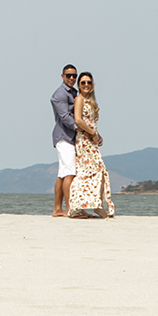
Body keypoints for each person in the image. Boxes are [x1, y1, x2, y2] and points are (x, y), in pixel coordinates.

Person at [67, 72, 115, 219]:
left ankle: (93, 205)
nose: (86, 85)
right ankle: (95, 206)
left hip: (91, 140)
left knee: (97, 171)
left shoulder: (91, 101)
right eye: (83, 82)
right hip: (84, 140)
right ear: (79, 85)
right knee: (90, 171)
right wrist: (92, 133)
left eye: (89, 82)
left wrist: (98, 136)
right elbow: (78, 120)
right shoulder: (79, 100)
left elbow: (91, 122)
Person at [50, 65, 79, 217]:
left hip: (68, 137)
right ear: (62, 76)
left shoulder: (73, 92)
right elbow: (65, 117)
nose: (72, 78)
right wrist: (81, 129)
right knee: (70, 172)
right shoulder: (60, 94)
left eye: (74, 75)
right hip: (64, 136)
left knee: (62, 174)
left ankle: (57, 209)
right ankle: (70, 208)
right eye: (68, 75)